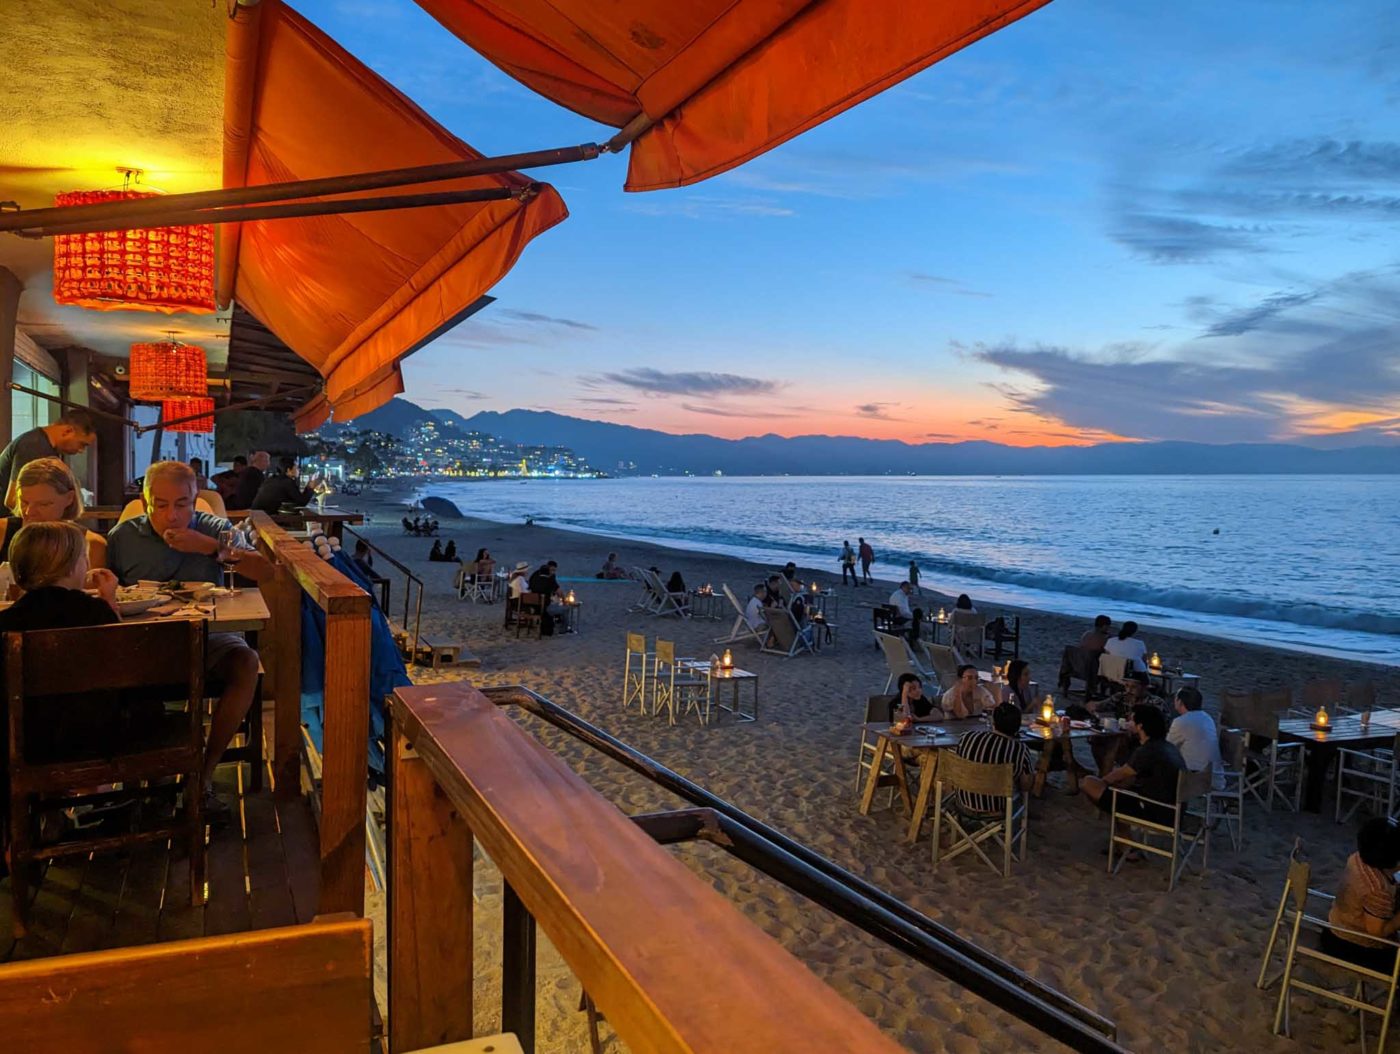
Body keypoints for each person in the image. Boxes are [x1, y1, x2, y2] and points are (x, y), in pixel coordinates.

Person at [107, 460, 273, 822]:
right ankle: (151, 776)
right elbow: (109, 594)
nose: (171, 515)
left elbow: (265, 571)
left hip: (209, 636)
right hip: (145, 642)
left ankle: (203, 772)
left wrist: (209, 548)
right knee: (119, 674)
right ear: (146, 500)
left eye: (181, 504)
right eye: (160, 504)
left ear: (196, 499)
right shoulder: (123, 537)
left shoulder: (213, 528)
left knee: (246, 663)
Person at [1081, 704, 1185, 827]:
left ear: (1140, 726)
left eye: (1131, 721)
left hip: (1155, 810)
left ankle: (1123, 836)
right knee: (1121, 786)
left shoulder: (1147, 750)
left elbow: (1117, 775)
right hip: (1174, 810)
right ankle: (1122, 836)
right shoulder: (1168, 747)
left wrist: (1102, 784)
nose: (1128, 723)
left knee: (1089, 783)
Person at [1320, 817, 1400, 972]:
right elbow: (1378, 932)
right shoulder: (1377, 890)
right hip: (1353, 945)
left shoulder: (1359, 858)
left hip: (1336, 926)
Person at [0, 457, 107, 570]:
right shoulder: (2, 532)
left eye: (44, 504)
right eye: (24, 502)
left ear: (69, 498)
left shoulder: (92, 545)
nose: (28, 512)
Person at [0, 406, 97, 510]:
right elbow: (13, 500)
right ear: (68, 431)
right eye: (82, 444)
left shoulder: (46, 448)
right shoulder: (34, 446)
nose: (81, 451)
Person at [954, 702, 1034, 814]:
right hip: (998, 806)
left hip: (964, 800)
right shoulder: (1019, 749)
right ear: (1017, 726)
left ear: (993, 722)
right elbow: (1026, 785)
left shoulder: (967, 737)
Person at [1167, 687, 1224, 790]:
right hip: (1214, 775)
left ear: (1180, 702)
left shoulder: (1181, 722)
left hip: (1197, 777)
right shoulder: (1207, 717)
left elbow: (1167, 747)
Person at [250, 455, 316, 513]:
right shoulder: (287, 482)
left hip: (257, 514)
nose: (299, 469)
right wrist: (310, 487)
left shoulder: (272, 479)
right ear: (288, 470)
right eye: (296, 467)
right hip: (265, 517)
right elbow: (302, 502)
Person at [527, 559, 563, 635]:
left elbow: (529, 586)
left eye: (554, 570)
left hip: (531, 602)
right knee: (562, 608)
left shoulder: (536, 574)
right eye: (552, 570)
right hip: (542, 604)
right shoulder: (548, 579)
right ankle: (563, 627)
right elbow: (558, 591)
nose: (553, 572)